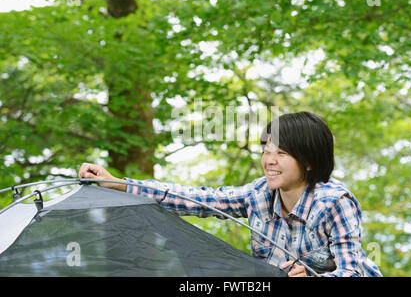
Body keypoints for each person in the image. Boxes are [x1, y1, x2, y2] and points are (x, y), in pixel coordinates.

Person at [78, 111, 382, 277]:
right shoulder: (258, 194)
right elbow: (196, 199)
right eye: (266, 151)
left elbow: (352, 273)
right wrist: (119, 183)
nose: (269, 161)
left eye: (282, 153)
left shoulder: (334, 203)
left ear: (308, 160)